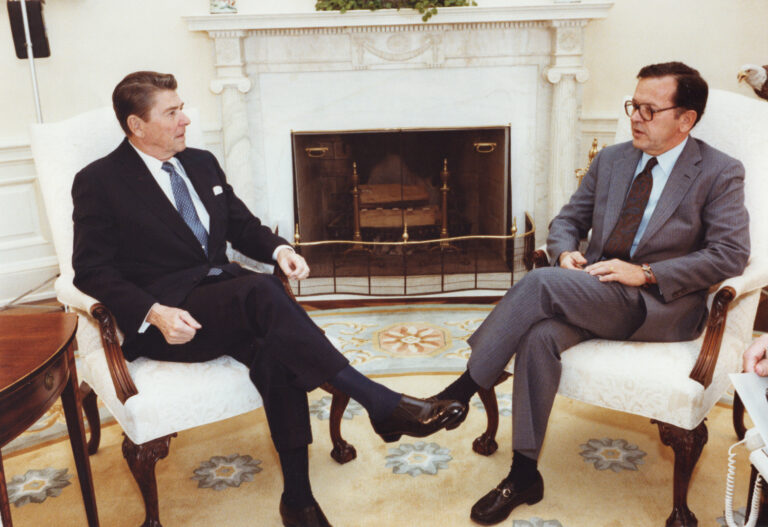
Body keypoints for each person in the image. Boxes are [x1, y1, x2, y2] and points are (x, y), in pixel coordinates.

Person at [71, 71, 467, 527]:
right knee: (262, 291)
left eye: (183, 108)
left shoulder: (200, 163)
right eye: (172, 112)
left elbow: (241, 226)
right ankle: (380, 402)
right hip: (172, 320)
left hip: (228, 298)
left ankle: (298, 500)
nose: (186, 119)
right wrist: (153, 312)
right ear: (137, 125)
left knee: (276, 353)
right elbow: (91, 269)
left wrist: (281, 250)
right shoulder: (100, 181)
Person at [428, 62, 751, 525]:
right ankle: (523, 474)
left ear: (686, 119)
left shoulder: (719, 172)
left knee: (538, 285)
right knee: (539, 336)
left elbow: (729, 254)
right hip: (592, 289)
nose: (636, 117)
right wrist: (563, 254)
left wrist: (645, 272)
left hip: (657, 305)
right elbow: (568, 221)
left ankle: (460, 391)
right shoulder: (613, 160)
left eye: (649, 109)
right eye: (632, 106)